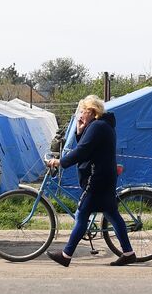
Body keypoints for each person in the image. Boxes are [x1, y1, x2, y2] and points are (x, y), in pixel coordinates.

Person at [47, 95, 135, 266]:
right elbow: (88, 148)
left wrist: (61, 162)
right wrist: (80, 132)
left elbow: (82, 151)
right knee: (112, 214)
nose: (80, 115)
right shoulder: (100, 125)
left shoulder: (98, 126)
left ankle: (66, 255)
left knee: (82, 213)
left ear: (91, 112)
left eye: (82, 111)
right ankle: (128, 252)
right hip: (104, 176)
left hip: (97, 178)